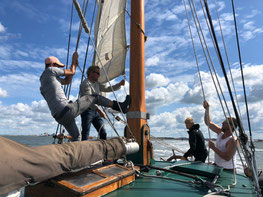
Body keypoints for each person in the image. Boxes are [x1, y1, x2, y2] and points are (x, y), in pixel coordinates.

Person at [40, 52, 131, 141]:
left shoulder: (45, 84)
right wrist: (73, 60)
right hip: (68, 110)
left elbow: (67, 81)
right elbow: (71, 71)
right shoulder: (50, 70)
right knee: (95, 97)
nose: (59, 68)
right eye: (58, 66)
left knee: (77, 137)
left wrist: (74, 65)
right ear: (51, 64)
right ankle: (120, 106)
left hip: (60, 117)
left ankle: (77, 156)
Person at [79, 66, 126, 140]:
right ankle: (83, 150)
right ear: (91, 73)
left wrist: (119, 85)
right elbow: (88, 101)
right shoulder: (86, 84)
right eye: (97, 73)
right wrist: (100, 111)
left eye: (99, 73)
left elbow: (107, 88)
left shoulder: (97, 83)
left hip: (95, 110)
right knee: (85, 133)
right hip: (87, 111)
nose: (99, 75)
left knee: (103, 132)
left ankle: (103, 150)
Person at [203, 100, 239, 170]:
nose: (222, 123)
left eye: (225, 122)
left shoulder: (233, 140)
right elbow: (208, 123)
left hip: (227, 169)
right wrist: (207, 109)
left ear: (231, 126)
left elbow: (227, 157)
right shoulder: (220, 132)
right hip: (217, 166)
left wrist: (213, 147)